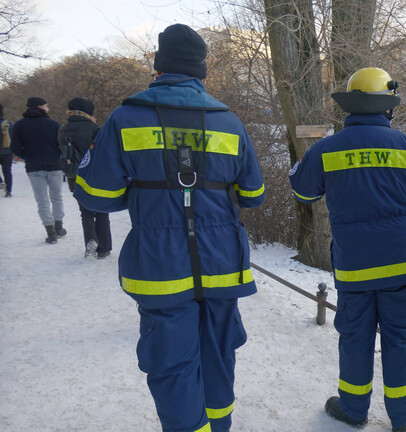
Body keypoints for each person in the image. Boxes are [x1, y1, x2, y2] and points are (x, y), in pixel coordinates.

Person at [73, 24, 265, 432]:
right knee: (219, 354)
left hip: (160, 268)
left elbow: (94, 196)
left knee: (172, 365)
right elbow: (254, 194)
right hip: (223, 265)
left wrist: (144, 193)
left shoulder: (126, 117)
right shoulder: (228, 121)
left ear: (158, 66)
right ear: (202, 71)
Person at [289, 67, 406, 432]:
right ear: (387, 108)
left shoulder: (326, 150)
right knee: (402, 340)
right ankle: (404, 415)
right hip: (403, 268)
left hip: (354, 268)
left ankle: (353, 410)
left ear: (350, 106)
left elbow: (303, 192)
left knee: (355, 339)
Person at [58, 97, 112, 259]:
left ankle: (90, 241)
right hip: (96, 175)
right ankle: (104, 247)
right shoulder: (95, 128)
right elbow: (105, 153)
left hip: (74, 176)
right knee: (101, 211)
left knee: (86, 211)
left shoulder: (62, 129)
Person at [10, 96, 66, 243]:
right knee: (57, 197)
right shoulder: (54, 124)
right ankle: (59, 227)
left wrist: (27, 156)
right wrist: (57, 156)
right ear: (40, 107)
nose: (48, 109)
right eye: (46, 106)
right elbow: (63, 146)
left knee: (42, 201)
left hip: (33, 166)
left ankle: (50, 232)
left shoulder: (20, 125)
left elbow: (15, 148)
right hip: (54, 165)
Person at [0, 103, 13, 197]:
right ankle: (8, 191)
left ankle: (0, 182)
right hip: (7, 152)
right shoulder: (8, 124)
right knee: (7, 171)